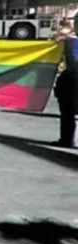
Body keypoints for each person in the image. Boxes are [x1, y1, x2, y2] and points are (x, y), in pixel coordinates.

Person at [53, 19, 76, 148]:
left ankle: (67, 140)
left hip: (71, 80)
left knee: (68, 113)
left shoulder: (70, 42)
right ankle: (66, 140)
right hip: (70, 79)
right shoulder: (69, 40)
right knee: (67, 113)